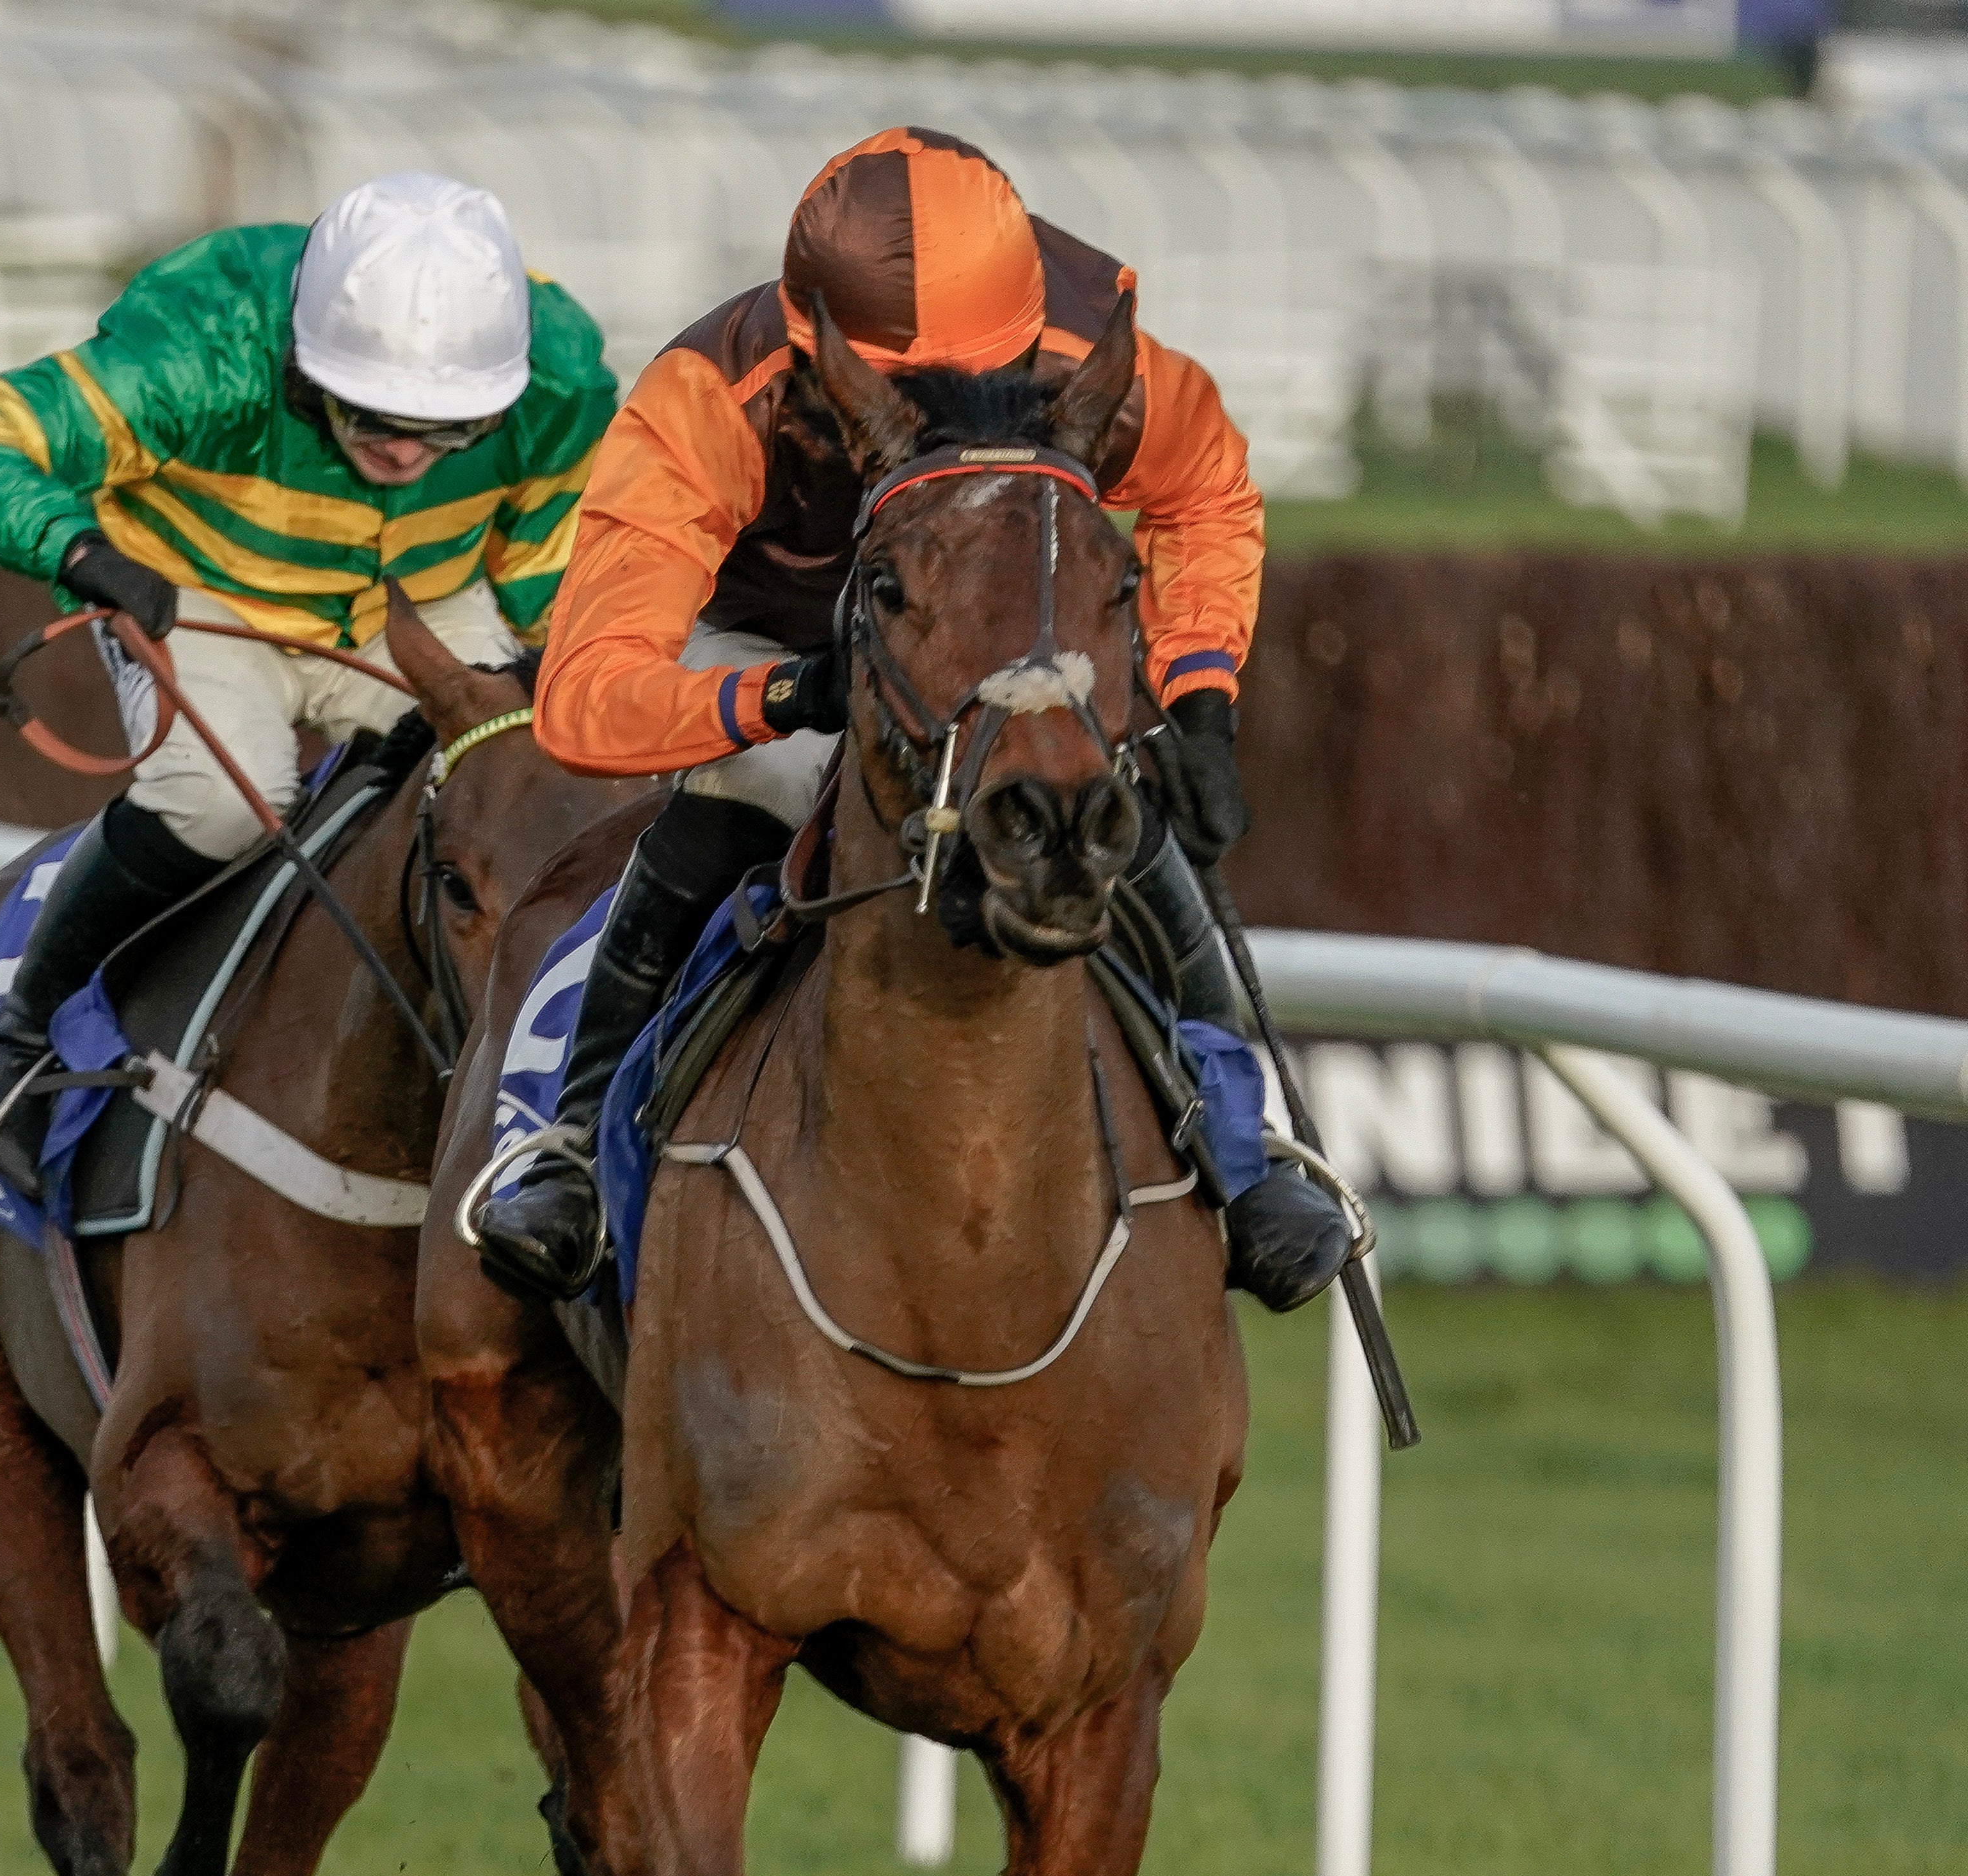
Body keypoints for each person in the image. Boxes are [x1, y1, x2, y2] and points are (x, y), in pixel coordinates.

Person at [469, 128, 1356, 1312]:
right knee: (763, 788)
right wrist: (777, 698)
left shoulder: (1091, 353)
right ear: (818, 358)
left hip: (992, 635)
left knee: (1103, 794)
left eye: (977, 390)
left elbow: (1205, 489)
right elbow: (585, 694)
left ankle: (1252, 1162)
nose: (942, 418)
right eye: (909, 402)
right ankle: (569, 1150)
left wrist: (1196, 696)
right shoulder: (708, 399)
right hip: (783, 639)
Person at [0, 170, 618, 1182]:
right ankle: (17, 1037)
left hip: (413, 602)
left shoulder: (560, 376)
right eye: (369, 415)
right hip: (202, 591)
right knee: (220, 803)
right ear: (304, 364)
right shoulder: (207, 342)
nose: (407, 449)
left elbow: (551, 574)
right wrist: (79, 552)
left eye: (448, 428)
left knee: (531, 796)